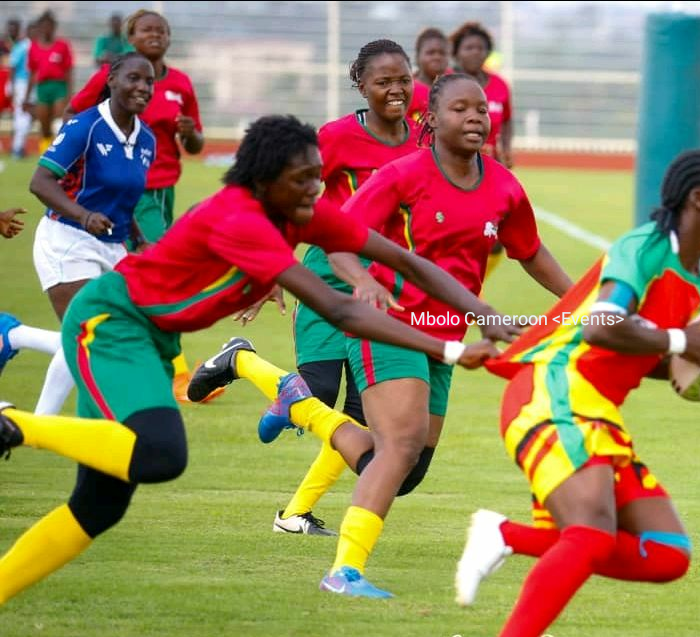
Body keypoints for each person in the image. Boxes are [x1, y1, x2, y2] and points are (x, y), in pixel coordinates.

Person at [0, 114, 515, 606]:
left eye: (318, 176)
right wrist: (448, 347)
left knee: (99, 505)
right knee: (161, 453)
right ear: (265, 180)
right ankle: (12, 425)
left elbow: (402, 259)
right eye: (304, 179)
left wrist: (481, 311)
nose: (317, 188)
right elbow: (338, 307)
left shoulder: (297, 211)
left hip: (149, 339)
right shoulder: (240, 216)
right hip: (110, 324)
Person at [209, 73, 572, 599]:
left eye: (480, 111)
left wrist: (585, 301)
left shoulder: (504, 186)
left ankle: (296, 400)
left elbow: (531, 252)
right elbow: (338, 240)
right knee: (398, 447)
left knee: (406, 469)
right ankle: (344, 573)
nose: (474, 118)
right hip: (391, 328)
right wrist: (362, 283)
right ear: (432, 120)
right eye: (459, 110)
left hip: (449, 332)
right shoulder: (403, 176)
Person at [453, 149, 700, 637]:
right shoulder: (646, 247)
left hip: (595, 410)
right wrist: (681, 341)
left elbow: (641, 352)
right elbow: (602, 327)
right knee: (590, 533)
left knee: (667, 553)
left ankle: (505, 535)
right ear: (699, 199)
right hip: (553, 389)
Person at [260, 38, 421, 536]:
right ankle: (244, 364)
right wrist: (271, 267)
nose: (395, 90)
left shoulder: (425, 138)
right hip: (330, 274)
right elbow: (286, 196)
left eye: (403, 80)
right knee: (322, 389)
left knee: (364, 418)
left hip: (389, 286)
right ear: (361, 84)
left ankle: (295, 515)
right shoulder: (334, 138)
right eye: (383, 82)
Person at [68, 9, 206, 402]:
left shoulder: (180, 83)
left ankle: (126, 350)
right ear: (131, 36)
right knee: (166, 271)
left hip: (165, 192)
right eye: (147, 30)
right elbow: (73, 114)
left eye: (162, 30)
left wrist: (190, 132)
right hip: (132, 192)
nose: (156, 35)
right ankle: (176, 372)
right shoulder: (116, 74)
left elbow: (195, 146)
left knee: (136, 273)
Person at [28, 52, 156, 416]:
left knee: (97, 337)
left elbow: (123, 198)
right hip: (66, 238)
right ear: (112, 80)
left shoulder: (146, 140)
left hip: (113, 246)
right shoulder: (85, 126)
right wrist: (83, 216)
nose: (142, 88)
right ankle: (43, 426)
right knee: (89, 335)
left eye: (149, 82)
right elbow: (40, 182)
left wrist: (140, 238)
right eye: (133, 78)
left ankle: (13, 340)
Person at [449, 21, 512, 168]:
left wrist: (506, 148)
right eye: (469, 48)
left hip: (490, 163)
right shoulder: (445, 83)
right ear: (456, 53)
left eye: (480, 48)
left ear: (488, 52)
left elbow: (507, 120)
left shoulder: (500, 84)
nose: (475, 52)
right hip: (453, 164)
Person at [26, 10, 73, 155]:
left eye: (49, 26)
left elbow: (68, 71)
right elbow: (32, 73)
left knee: (59, 122)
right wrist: (27, 97)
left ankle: (61, 153)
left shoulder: (62, 45)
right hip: (42, 88)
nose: (46, 29)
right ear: (40, 28)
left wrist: (69, 94)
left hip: (58, 86)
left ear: (54, 27)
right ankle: (45, 154)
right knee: (44, 125)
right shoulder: (33, 47)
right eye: (44, 26)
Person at [409, 27, 448, 123]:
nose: (437, 57)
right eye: (431, 53)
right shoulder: (408, 89)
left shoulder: (457, 84)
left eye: (442, 53)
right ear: (418, 56)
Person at [8, 20, 33, 158]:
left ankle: (20, 147)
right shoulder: (23, 46)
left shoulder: (32, 46)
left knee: (27, 117)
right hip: (22, 83)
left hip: (32, 84)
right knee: (21, 115)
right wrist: (11, 86)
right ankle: (17, 148)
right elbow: (12, 67)